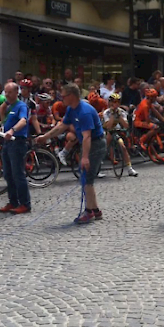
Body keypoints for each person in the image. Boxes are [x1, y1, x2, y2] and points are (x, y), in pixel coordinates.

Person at [38, 83, 107, 224]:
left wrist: (85, 157)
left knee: (86, 178)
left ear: (72, 96)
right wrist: (46, 137)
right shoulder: (71, 109)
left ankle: (88, 212)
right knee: (86, 177)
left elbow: (87, 136)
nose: (61, 98)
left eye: (63, 96)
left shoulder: (84, 112)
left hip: (96, 144)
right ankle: (95, 210)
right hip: (88, 143)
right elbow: (62, 126)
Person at [0, 83, 31, 215]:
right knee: (8, 174)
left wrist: (13, 131)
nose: (7, 95)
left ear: (16, 92)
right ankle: (13, 202)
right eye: (5, 92)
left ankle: (25, 204)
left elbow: (23, 121)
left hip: (17, 142)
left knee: (18, 174)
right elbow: (3, 128)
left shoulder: (21, 106)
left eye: (9, 92)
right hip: (7, 143)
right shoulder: (8, 107)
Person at [102, 93, 138, 177]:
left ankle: (130, 168)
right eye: (114, 102)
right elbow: (108, 126)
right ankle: (97, 167)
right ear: (110, 103)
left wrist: (118, 115)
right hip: (105, 131)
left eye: (117, 102)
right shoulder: (106, 113)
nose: (116, 104)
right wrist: (112, 115)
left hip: (116, 131)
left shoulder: (121, 112)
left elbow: (126, 125)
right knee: (103, 148)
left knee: (123, 147)